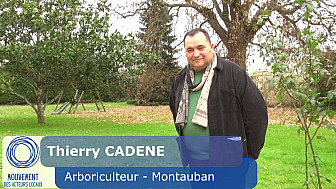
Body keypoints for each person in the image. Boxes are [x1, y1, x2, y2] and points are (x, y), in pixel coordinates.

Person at [169, 28, 268, 160]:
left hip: (229, 163)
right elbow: (176, 112)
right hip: (195, 162)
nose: (196, 54)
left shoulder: (233, 74)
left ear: (211, 47)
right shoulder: (180, 80)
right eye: (190, 50)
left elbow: (257, 115)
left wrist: (249, 156)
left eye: (200, 47)